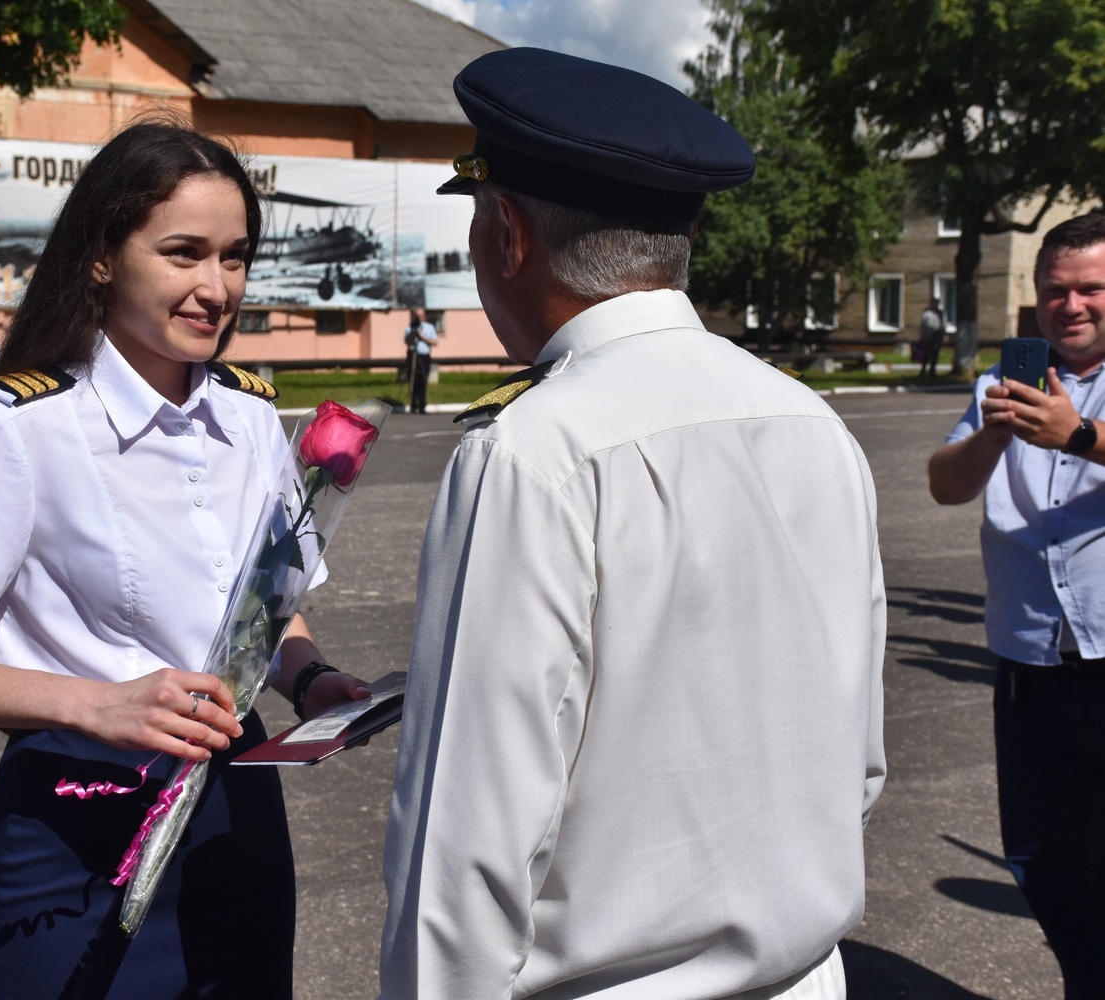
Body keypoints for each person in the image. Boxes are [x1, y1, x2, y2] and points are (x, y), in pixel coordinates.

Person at [380, 49, 887, 1000]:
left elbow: (465, 854)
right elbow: (854, 767)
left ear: (508, 235)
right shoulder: (813, 423)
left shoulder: (533, 452)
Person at [0, 122, 369, 999]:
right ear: (102, 256)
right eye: (183, 253)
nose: (216, 288)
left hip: (234, 807)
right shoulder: (25, 429)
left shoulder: (248, 416)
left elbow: (264, 610)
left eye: (236, 258)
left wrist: (310, 678)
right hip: (78, 820)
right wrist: (98, 705)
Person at [927, 213, 1105, 997]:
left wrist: (1080, 436)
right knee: (1046, 859)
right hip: (1031, 670)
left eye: (1092, 288)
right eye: (1055, 290)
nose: (1071, 305)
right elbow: (945, 484)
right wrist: (994, 435)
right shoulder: (999, 388)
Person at [403, 310, 438, 414]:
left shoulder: (429, 327)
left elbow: (435, 342)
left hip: (424, 357)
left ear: (424, 316)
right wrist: (413, 333)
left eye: (420, 316)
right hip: (412, 355)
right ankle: (413, 406)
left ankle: (422, 406)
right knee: (413, 380)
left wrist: (421, 335)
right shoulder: (410, 327)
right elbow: (406, 342)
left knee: (423, 380)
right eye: (416, 316)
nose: (418, 318)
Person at [919, 296, 946, 378]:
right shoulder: (927, 313)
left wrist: (944, 335)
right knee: (926, 355)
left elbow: (944, 324)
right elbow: (923, 325)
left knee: (935, 355)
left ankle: (932, 371)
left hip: (937, 336)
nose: (935, 305)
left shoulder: (941, 313)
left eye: (937, 303)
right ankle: (923, 371)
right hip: (929, 336)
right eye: (934, 303)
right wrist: (923, 336)